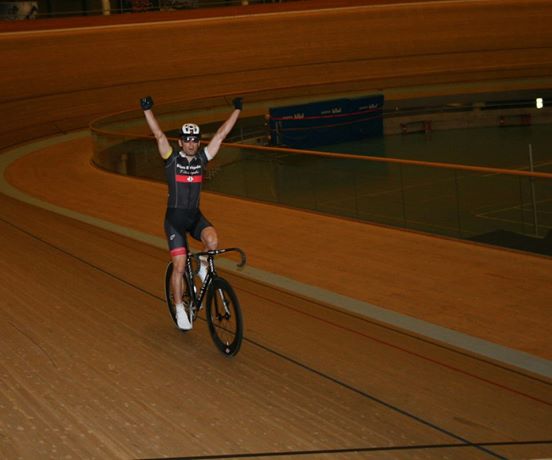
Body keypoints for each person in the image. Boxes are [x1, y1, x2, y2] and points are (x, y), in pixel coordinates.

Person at [140, 95, 243, 330]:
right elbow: (159, 135)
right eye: (187, 140)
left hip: (194, 216)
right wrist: (147, 110)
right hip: (174, 221)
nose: (191, 144)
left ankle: (203, 266)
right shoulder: (171, 160)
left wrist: (237, 110)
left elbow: (221, 135)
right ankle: (179, 307)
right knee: (178, 265)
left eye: (195, 140)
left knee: (212, 239)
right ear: (180, 142)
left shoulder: (201, 160)